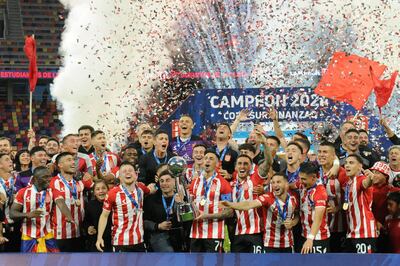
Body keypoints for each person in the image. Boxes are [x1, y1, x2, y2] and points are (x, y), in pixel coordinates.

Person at [223, 172, 298, 253]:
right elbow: (248, 204)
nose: (275, 185)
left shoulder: (293, 198)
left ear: (286, 184)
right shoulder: (267, 198)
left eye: (278, 182)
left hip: (289, 244)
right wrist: (230, 204)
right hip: (270, 245)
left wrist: (293, 222)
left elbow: (297, 214)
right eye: (273, 182)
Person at [96, 162, 157, 252]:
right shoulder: (112, 194)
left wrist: (157, 184)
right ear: (119, 177)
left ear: (136, 175)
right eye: (124, 171)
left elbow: (151, 190)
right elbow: (104, 216)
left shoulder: (141, 188)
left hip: (139, 240)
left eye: (130, 170)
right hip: (120, 242)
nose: (128, 173)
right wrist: (99, 237)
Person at [10, 167, 73, 253]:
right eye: (45, 177)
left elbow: (61, 203)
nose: (49, 179)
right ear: (35, 178)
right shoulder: (23, 192)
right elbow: (12, 214)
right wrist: (27, 214)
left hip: (47, 234)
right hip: (28, 236)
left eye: (50, 176)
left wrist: (68, 216)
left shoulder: (52, 191)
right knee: (27, 262)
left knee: (54, 261)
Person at [189, 150, 232, 252]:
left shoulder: (224, 183)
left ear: (217, 164)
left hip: (214, 233)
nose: (207, 160)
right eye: (205, 158)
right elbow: (190, 204)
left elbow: (229, 212)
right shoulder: (194, 182)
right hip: (196, 233)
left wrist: (208, 216)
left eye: (211, 158)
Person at [50, 152, 94, 252]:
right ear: (60, 165)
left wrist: (93, 175)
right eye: (69, 160)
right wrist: (69, 216)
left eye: (73, 160)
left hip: (79, 232)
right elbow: (59, 202)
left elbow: (100, 188)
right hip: (61, 234)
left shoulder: (79, 182)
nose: (73, 162)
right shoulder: (54, 182)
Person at [225, 155, 265, 253]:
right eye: (239, 163)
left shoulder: (254, 180)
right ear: (235, 167)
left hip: (255, 232)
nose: (242, 166)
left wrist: (264, 143)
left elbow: (267, 163)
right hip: (237, 233)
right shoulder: (230, 186)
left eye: (246, 164)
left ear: (251, 167)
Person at [317, 142, 348, 252]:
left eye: (325, 152)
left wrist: (339, 208)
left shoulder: (342, 173)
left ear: (333, 155)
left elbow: (350, 197)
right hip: (319, 227)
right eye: (319, 152)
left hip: (339, 227)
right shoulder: (315, 172)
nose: (321, 155)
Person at [343, 154, 377, 253]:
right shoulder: (348, 183)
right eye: (346, 163)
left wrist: (370, 178)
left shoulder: (360, 179)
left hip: (364, 233)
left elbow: (366, 183)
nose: (347, 165)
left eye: (351, 163)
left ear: (360, 166)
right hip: (352, 232)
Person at [144, 171, 184, 252]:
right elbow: (144, 221)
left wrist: (181, 204)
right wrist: (157, 226)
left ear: (174, 182)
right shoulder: (151, 199)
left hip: (179, 236)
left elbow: (188, 220)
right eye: (161, 181)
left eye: (167, 180)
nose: (164, 183)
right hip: (158, 236)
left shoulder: (182, 197)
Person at [299, 162, 330, 254]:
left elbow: (318, 220)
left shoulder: (320, 192)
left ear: (313, 177)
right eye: (300, 178)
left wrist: (310, 239)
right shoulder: (304, 185)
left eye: (303, 179)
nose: (300, 181)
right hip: (305, 235)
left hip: (318, 237)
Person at [84, 180, 112, 252]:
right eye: (98, 189)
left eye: (103, 188)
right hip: (95, 241)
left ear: (108, 190)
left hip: (112, 241)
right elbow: (86, 221)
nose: (101, 191)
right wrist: (88, 228)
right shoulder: (90, 205)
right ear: (94, 192)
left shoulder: (114, 203)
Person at [0, 153, 20, 252]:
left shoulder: (15, 181)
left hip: (15, 226)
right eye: (7, 160)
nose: (11, 161)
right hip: (2, 229)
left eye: (11, 159)